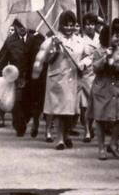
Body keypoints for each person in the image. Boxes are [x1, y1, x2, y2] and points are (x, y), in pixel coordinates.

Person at [34, 11, 89, 150]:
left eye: (72, 25)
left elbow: (88, 56)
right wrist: (55, 48)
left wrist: (83, 64)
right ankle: (59, 139)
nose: (69, 28)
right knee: (59, 111)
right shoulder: (53, 40)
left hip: (74, 79)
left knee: (72, 111)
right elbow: (47, 60)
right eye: (66, 25)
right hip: (58, 79)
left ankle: (66, 135)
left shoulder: (80, 41)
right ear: (61, 25)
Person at [90, 18, 119, 160]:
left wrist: (115, 65)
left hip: (117, 89)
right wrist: (104, 59)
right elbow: (95, 68)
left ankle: (113, 143)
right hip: (102, 89)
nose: (118, 38)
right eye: (115, 35)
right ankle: (101, 147)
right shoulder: (98, 51)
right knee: (100, 119)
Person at [0, 19, 32, 129]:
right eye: (19, 26)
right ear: (15, 27)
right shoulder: (9, 41)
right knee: (10, 98)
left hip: (28, 74)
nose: (22, 28)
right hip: (13, 73)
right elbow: (3, 58)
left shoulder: (33, 39)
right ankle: (2, 117)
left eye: (24, 26)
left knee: (25, 99)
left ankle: (21, 119)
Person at [77, 13, 101, 143]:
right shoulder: (80, 39)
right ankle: (86, 130)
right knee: (85, 104)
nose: (90, 27)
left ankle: (92, 126)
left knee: (96, 103)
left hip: (98, 73)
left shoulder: (100, 37)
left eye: (92, 24)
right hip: (85, 74)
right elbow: (77, 56)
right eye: (87, 24)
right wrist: (81, 64)